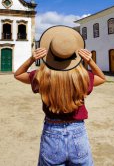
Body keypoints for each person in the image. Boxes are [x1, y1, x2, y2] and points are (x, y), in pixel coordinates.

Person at [14, 25, 106, 166]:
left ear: (50, 53)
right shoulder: (83, 77)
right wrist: (89, 61)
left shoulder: (42, 76)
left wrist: (32, 59)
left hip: (52, 131)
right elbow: (102, 78)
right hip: (78, 132)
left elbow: (18, 75)